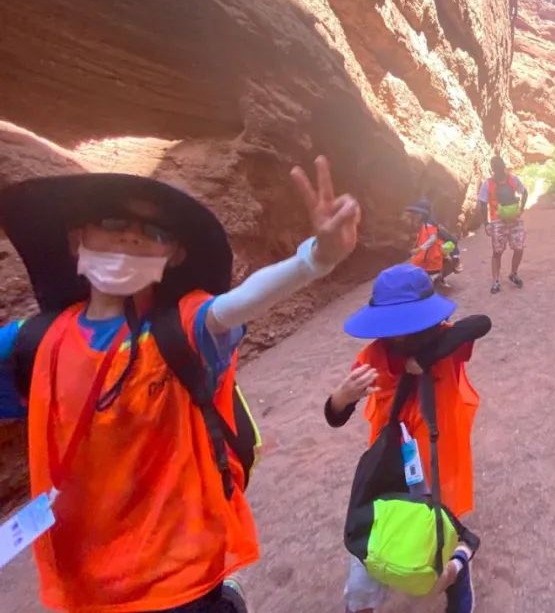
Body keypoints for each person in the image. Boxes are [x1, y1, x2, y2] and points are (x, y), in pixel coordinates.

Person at [0, 156, 360, 613]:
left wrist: (315, 259)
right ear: (76, 238)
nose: (132, 236)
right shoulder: (33, 342)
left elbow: (235, 305)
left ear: (175, 255)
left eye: (154, 232)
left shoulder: (183, 327)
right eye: (113, 221)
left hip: (181, 576)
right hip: (85, 587)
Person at [325, 264, 490, 613]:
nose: (399, 335)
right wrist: (341, 398)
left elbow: (480, 323)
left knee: (438, 538)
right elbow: (335, 416)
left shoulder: (445, 340)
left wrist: (424, 358)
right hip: (389, 466)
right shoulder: (372, 357)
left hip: (437, 461)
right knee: (373, 547)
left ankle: (458, 572)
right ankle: (363, 602)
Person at [476, 157, 527, 295]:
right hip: (497, 220)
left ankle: (513, 274)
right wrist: (486, 224)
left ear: (503, 167)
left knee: (519, 248)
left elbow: (524, 192)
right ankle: (496, 281)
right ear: (493, 170)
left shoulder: (513, 179)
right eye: (496, 169)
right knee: (497, 252)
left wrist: (521, 209)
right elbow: (482, 204)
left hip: (514, 219)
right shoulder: (488, 184)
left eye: (499, 168)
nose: (498, 171)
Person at [403, 199, 447, 284]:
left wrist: (419, 249)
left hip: (430, 257)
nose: (417, 215)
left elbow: (432, 239)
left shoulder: (429, 224)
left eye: (418, 213)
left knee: (427, 277)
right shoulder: (425, 223)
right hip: (426, 256)